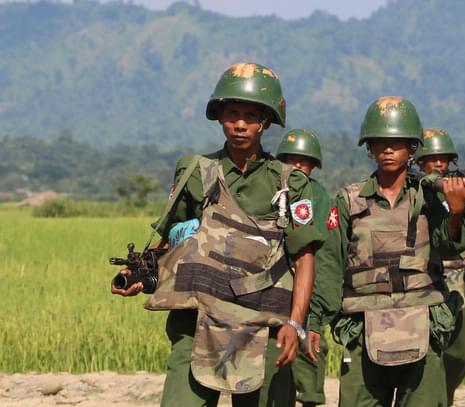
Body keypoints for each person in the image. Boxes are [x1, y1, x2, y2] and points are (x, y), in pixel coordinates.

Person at [111, 62, 323, 407]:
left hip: (265, 322)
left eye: (251, 116)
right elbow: (171, 238)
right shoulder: (195, 171)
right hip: (197, 317)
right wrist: (137, 273)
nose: (240, 124)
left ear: (265, 123)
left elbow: (305, 257)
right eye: (232, 113)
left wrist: (296, 324)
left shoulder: (290, 183)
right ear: (220, 117)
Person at [308, 96, 465, 407]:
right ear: (370, 147)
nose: (388, 149)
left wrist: (456, 213)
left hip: (422, 323)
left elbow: (450, 249)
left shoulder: (430, 197)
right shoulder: (349, 200)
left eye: (397, 142)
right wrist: (312, 323)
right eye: (380, 142)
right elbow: (329, 266)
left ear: (412, 148)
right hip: (362, 328)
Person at [415, 128, 465, 406]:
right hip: (426, 279)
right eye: (432, 158)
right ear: (420, 162)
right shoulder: (417, 192)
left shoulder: (458, 189)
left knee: (461, 352)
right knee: (427, 352)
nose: (438, 164)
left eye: (444, 159)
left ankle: (444, 398)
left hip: (458, 280)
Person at [276, 129, 330, 407]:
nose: (297, 165)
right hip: (274, 286)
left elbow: (323, 252)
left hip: (306, 282)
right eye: (290, 159)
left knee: (309, 353)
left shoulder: (317, 195)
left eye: (304, 160)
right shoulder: (273, 189)